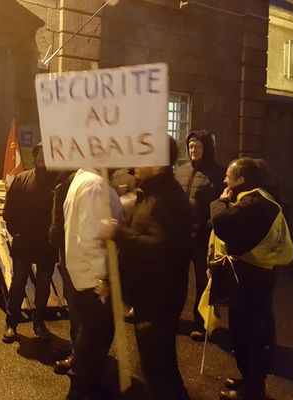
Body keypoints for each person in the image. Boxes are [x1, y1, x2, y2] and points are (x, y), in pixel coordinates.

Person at [113, 137, 192, 400]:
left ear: (159, 164)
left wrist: (119, 234)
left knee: (157, 367)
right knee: (162, 364)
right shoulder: (151, 192)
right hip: (148, 294)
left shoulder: (167, 197)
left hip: (159, 297)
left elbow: (161, 246)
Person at [209, 158, 293, 400]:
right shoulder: (262, 198)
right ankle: (249, 379)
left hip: (251, 280)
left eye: (229, 175)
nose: (225, 180)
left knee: (249, 334)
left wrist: (219, 202)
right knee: (249, 331)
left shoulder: (252, 204)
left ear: (241, 180)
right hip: (258, 276)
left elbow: (221, 223)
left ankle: (253, 390)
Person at [62, 166, 123, 400]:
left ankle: (86, 384)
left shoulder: (83, 180)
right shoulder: (94, 185)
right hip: (93, 278)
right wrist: (103, 276)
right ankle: (81, 389)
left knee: (91, 332)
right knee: (95, 336)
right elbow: (90, 237)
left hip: (82, 273)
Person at [2, 143, 58, 343]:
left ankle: (39, 323)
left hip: (46, 245)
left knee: (43, 287)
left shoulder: (58, 183)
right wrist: (15, 232)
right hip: (24, 242)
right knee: (17, 284)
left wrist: (55, 237)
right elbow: (9, 210)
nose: (43, 157)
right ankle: (11, 323)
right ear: (34, 156)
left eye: (47, 154)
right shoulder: (22, 179)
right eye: (40, 153)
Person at [174, 130, 224, 340]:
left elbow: (221, 204)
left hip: (202, 238)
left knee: (203, 283)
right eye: (191, 146)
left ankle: (202, 323)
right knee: (175, 279)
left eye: (198, 146)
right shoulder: (181, 171)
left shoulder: (218, 174)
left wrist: (207, 226)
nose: (193, 150)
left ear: (207, 148)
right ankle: (172, 317)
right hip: (180, 237)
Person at [48, 170, 78, 374]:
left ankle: (79, 355)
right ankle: (77, 348)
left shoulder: (80, 184)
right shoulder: (64, 183)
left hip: (75, 253)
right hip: (67, 253)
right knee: (74, 303)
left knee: (79, 307)